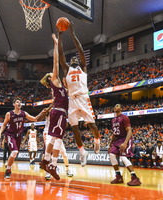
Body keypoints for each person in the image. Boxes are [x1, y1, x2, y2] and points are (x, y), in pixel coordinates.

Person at [58, 21, 100, 167]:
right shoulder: (66, 69)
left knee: (92, 126)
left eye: (76, 58)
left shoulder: (83, 67)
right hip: (72, 101)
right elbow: (61, 53)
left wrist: (72, 34)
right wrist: (59, 36)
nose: (74, 59)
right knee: (74, 128)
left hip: (83, 98)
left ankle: (96, 141)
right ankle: (82, 152)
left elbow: (80, 50)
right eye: (72, 59)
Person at [39, 33, 69, 180]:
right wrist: (56, 44)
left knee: (52, 138)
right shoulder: (55, 80)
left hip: (57, 113)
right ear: (51, 78)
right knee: (58, 139)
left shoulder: (60, 87)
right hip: (59, 113)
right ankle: (53, 165)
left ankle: (45, 160)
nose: (54, 73)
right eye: (52, 74)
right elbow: (56, 62)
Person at [0, 97, 47, 179]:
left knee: (15, 153)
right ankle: (8, 170)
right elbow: (4, 124)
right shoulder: (9, 114)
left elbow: (34, 119)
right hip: (10, 134)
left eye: (20, 102)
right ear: (14, 104)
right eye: (17, 102)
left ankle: (8, 166)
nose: (19, 103)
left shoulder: (24, 113)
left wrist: (42, 112)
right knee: (14, 152)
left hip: (18, 135)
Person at [108, 104, 141, 186]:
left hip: (126, 138)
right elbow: (114, 134)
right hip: (118, 139)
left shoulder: (125, 117)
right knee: (111, 154)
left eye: (118, 106)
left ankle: (135, 178)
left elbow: (129, 131)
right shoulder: (113, 120)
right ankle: (118, 176)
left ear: (121, 108)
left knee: (123, 157)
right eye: (115, 106)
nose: (115, 107)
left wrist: (125, 143)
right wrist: (110, 144)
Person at [41, 104, 73, 180]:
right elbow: (40, 118)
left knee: (64, 153)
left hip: (56, 133)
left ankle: (68, 170)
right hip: (48, 133)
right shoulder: (49, 111)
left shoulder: (61, 112)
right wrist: (48, 108)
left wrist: (65, 118)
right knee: (48, 152)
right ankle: (48, 171)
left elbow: (66, 126)